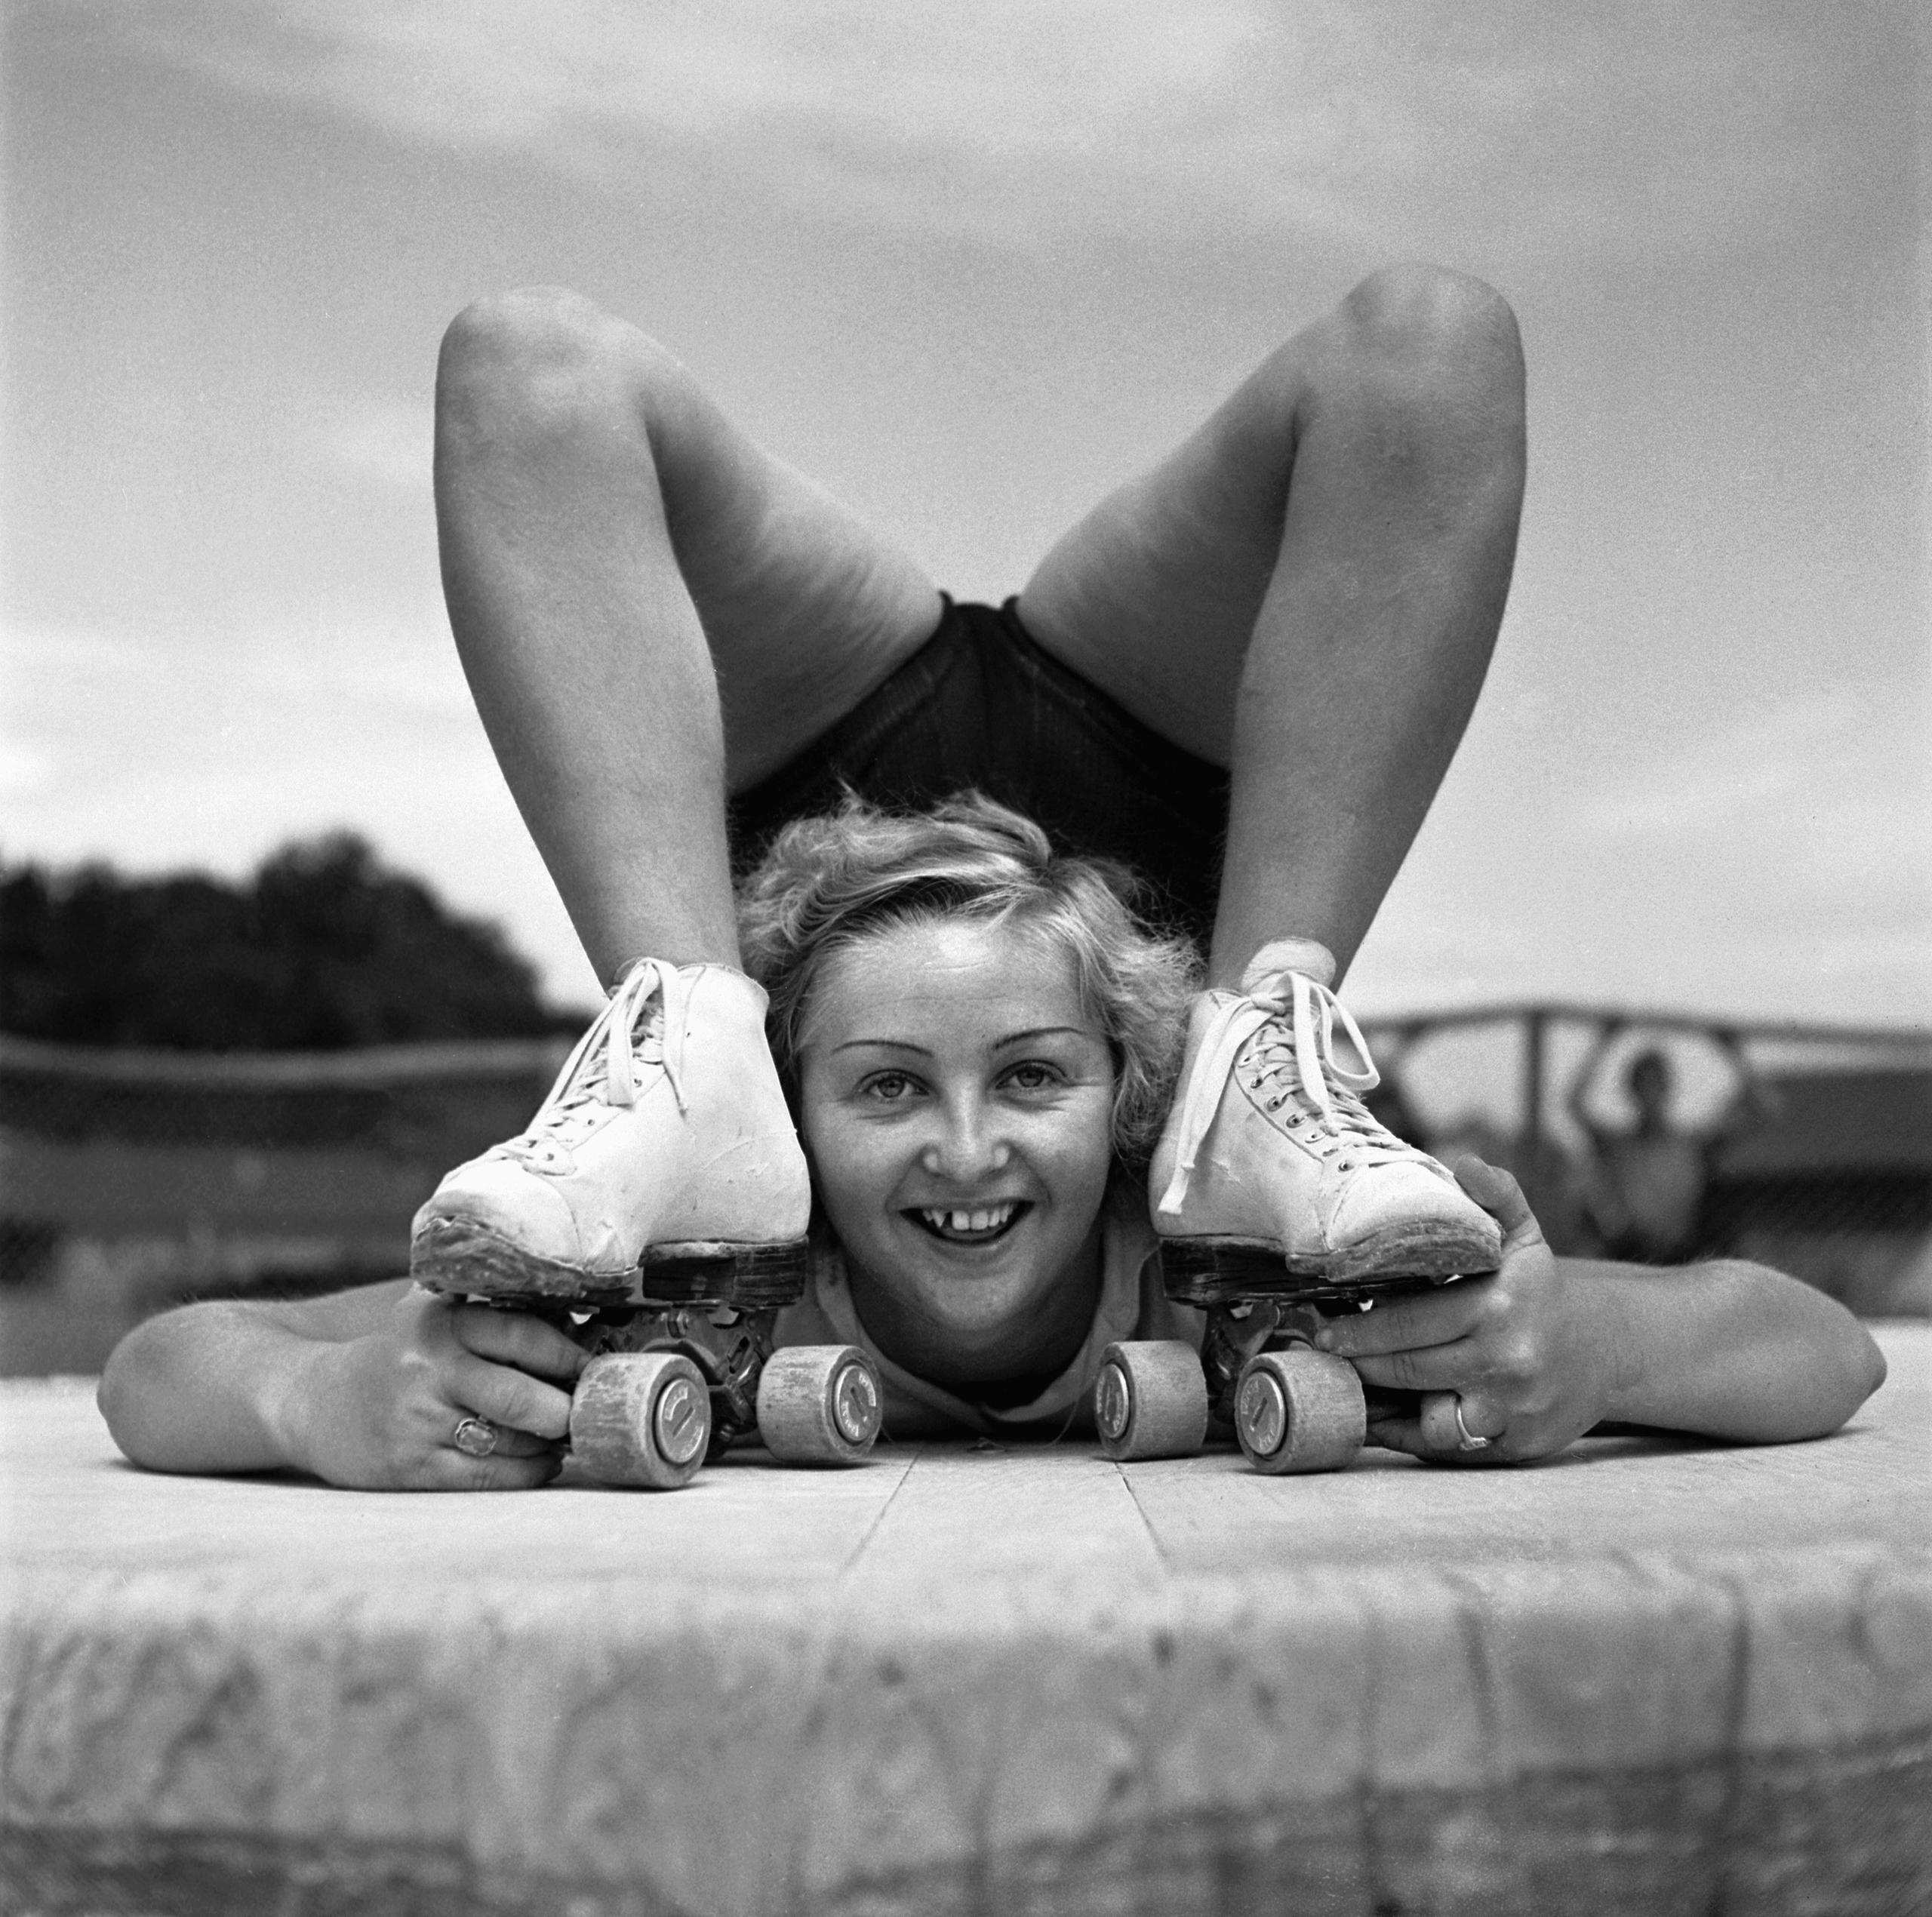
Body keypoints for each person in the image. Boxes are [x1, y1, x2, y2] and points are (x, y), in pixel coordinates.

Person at [97, 271, 1886, 1485]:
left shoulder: (1238, 1251)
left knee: (1431, 337)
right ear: (794, 1127)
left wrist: (1571, 1344)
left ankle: (1262, 1026)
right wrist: (317, 1386)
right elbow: (169, 1359)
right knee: (519, 357)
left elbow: (1813, 1348)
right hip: (859, 888)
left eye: (1027, 1086)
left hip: (1108, 914)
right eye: (888, 1098)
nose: (964, 1150)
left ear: (1120, 1103)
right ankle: (696, 1029)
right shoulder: (713, 1258)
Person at [1566, 1028, 1771, 1264]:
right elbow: (1573, 1104)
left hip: (1682, 1254)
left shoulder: (1691, 1144)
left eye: (1657, 1084)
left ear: (1667, 1088)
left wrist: (1732, 1050)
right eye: (1644, 1085)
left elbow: (1765, 1110)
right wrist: (1604, 1040)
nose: (1650, 1094)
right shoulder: (1619, 1145)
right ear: (1632, 1090)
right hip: (1631, 1255)